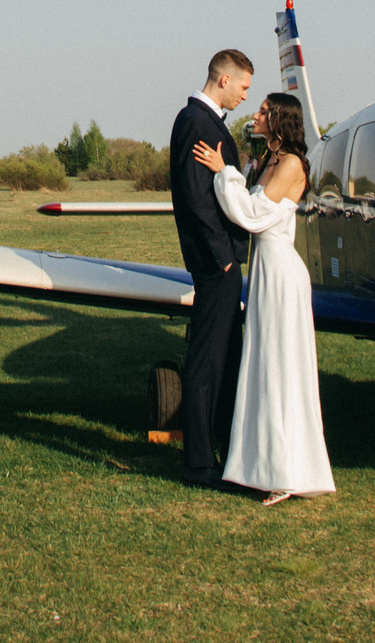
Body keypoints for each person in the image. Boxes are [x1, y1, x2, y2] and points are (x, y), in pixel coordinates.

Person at [190, 90, 334, 504]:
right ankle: (260, 465)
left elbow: (252, 215)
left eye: (264, 111)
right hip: (264, 271)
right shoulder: (269, 160)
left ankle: (286, 472)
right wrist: (236, 173)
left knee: (279, 364)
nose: (256, 114)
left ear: (281, 119)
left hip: (282, 274)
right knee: (262, 362)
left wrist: (224, 172)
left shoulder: (291, 165)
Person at [168, 49, 254, 487]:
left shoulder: (205, 122)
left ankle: (223, 448)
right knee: (206, 360)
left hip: (222, 263)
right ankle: (199, 462)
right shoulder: (195, 122)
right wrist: (222, 257)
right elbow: (196, 199)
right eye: (243, 87)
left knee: (226, 356)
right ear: (224, 80)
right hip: (215, 264)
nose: (245, 96)